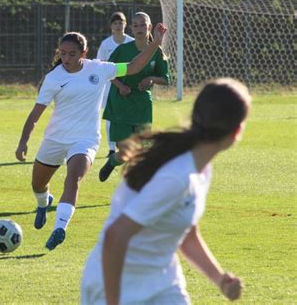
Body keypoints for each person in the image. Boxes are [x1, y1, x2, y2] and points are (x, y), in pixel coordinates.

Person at [81, 78, 251, 304]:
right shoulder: (178, 175)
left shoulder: (200, 168)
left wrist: (219, 278)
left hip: (163, 285)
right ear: (237, 130)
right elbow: (115, 237)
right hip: (116, 285)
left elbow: (187, 235)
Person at [15, 24, 167, 251]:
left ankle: (60, 228)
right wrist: (23, 142)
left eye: (72, 54)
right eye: (62, 53)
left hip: (85, 140)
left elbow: (134, 66)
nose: (66, 58)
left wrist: (155, 42)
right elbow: (36, 114)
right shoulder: (53, 78)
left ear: (83, 54)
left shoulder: (99, 69)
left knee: (73, 177)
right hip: (55, 140)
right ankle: (43, 202)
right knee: (38, 184)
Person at [99, 12, 170, 182]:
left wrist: (151, 78)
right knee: (126, 152)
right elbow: (107, 72)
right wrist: (121, 85)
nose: (139, 28)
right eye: (135, 25)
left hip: (142, 106)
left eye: (143, 24)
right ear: (131, 28)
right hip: (121, 104)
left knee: (143, 150)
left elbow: (165, 78)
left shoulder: (157, 52)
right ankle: (113, 161)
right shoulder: (122, 50)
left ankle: (135, 184)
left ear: (149, 27)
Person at [96, 11, 135, 157]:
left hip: (130, 85)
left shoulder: (131, 42)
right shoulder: (106, 44)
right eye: (115, 23)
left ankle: (127, 146)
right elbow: (101, 66)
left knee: (128, 116)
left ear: (126, 25)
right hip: (110, 86)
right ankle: (112, 148)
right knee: (111, 117)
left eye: (121, 22)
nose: (118, 26)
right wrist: (118, 84)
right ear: (111, 26)